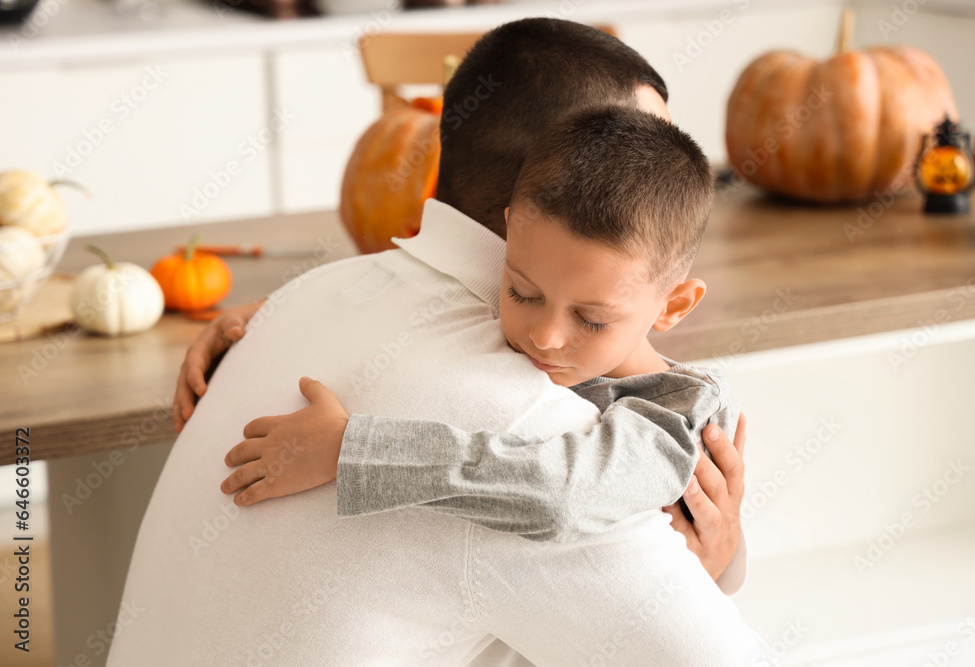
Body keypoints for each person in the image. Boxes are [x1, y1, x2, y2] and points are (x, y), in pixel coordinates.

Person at [109, 18, 767, 666]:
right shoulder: (529, 426)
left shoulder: (296, 301)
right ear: (544, 187)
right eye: (629, 146)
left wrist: (705, 552)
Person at [221, 106, 738, 555]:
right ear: (509, 235)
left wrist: (352, 450)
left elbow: (564, 496)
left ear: (674, 306)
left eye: (591, 320)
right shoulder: (540, 304)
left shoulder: (677, 418)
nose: (545, 336)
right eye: (521, 291)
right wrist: (272, 310)